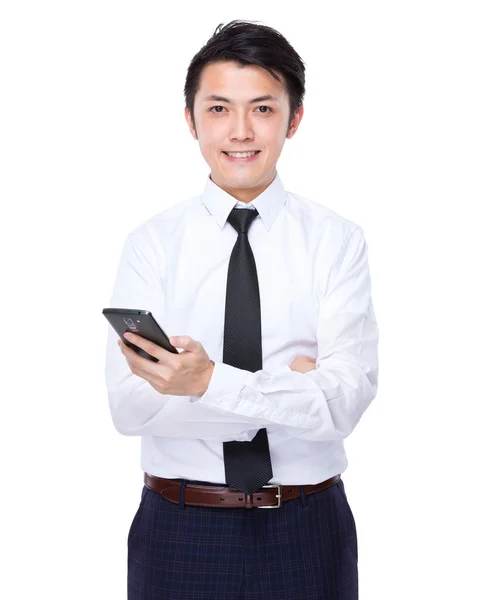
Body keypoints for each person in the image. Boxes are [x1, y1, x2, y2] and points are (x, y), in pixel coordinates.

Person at [104, 19, 379, 600]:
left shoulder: (337, 242)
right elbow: (129, 410)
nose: (240, 131)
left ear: (293, 118)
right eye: (219, 108)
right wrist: (292, 393)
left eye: (262, 108)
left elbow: (345, 403)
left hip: (307, 526)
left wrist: (201, 384)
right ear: (191, 119)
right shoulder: (151, 244)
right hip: (180, 525)